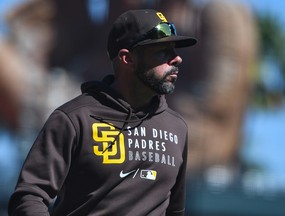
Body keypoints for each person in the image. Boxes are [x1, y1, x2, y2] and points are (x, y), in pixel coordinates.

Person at [8, 9, 197, 216]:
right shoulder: (74, 119)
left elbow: (175, 210)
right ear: (128, 59)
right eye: (163, 52)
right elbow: (29, 197)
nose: (177, 59)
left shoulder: (177, 127)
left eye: (174, 50)